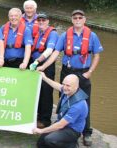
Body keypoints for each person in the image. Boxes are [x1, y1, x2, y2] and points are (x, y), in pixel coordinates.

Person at [37, 9, 103, 146]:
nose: (77, 20)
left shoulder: (92, 36)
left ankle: (86, 132)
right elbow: (55, 52)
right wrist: (43, 66)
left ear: (84, 19)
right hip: (67, 72)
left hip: (83, 73)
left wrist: (90, 72)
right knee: (64, 98)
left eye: (80, 17)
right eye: (75, 18)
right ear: (72, 20)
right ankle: (62, 125)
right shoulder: (65, 35)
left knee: (85, 102)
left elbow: (96, 55)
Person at [33, 73, 88, 148]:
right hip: (62, 123)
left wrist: (41, 131)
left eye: (68, 85)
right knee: (41, 143)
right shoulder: (68, 90)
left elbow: (61, 125)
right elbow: (57, 86)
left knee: (50, 139)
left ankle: (71, 145)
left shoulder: (78, 105)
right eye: (64, 84)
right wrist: (44, 77)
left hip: (72, 130)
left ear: (76, 86)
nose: (64, 87)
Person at [29, 13, 59, 128]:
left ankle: (45, 120)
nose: (41, 22)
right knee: (38, 90)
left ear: (48, 21)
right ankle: (38, 115)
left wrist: (37, 61)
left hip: (46, 65)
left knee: (46, 92)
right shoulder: (38, 33)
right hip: (35, 64)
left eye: (43, 20)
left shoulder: (53, 33)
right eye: (39, 20)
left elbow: (49, 50)